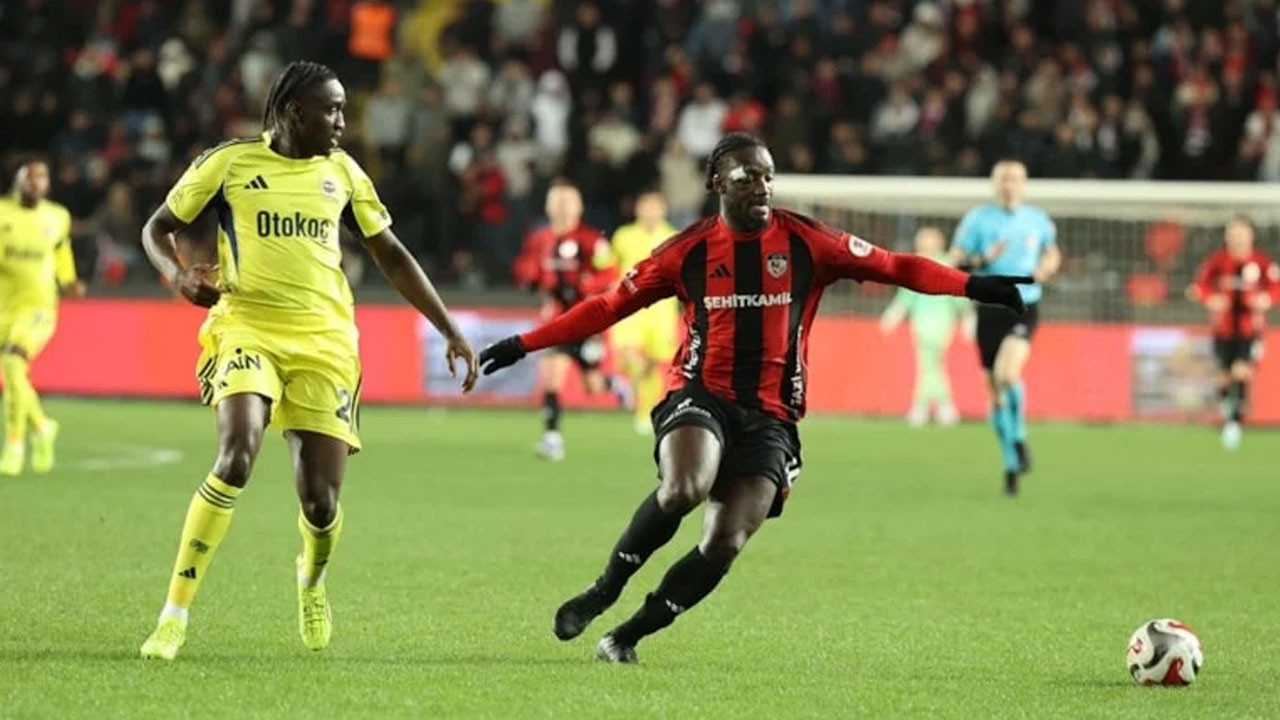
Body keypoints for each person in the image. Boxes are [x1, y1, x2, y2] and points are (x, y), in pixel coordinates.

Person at [478, 133, 1030, 663]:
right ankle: (604, 589)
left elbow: (895, 265)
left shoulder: (807, 242)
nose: (762, 187)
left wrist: (972, 285)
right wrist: (524, 343)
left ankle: (627, 635)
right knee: (685, 486)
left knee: (725, 541)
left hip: (772, 416)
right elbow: (607, 306)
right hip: (700, 394)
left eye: (768, 176)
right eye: (747, 177)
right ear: (718, 183)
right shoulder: (687, 252)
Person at [137, 62, 478, 661]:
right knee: (235, 457)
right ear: (295, 112)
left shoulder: (343, 173)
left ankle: (312, 578)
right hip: (247, 327)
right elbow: (158, 227)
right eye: (333, 110)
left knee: (320, 503)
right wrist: (179, 275)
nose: (344, 122)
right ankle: (174, 614)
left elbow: (391, 253)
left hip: (325, 341)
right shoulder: (229, 164)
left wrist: (449, 327)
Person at [948, 160, 1060, 497]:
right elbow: (956, 261)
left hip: (1023, 306)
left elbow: (1052, 254)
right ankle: (1011, 463)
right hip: (989, 310)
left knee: (1008, 375)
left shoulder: (1037, 220)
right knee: (994, 392)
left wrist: (1046, 268)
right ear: (994, 183)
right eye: (1003, 178)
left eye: (1015, 178)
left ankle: (1020, 438)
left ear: (1024, 183)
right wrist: (984, 258)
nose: (1009, 184)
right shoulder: (977, 219)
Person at [512, 180, 624, 460]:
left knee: (593, 387)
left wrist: (588, 284)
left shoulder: (592, 240)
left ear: (579, 207)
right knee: (551, 376)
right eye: (557, 201)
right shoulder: (540, 239)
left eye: (568, 201)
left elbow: (611, 275)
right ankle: (552, 438)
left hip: (587, 322)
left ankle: (614, 385)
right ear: (548, 206)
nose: (562, 207)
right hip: (556, 320)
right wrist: (529, 279)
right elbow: (525, 268)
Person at [0, 160, 87, 475]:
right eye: (29, 178)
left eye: (40, 179)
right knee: (14, 375)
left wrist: (70, 281)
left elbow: (62, 252)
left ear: (47, 185)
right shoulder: (3, 214)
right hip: (4, 307)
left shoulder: (57, 216)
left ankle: (14, 444)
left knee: (13, 362)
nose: (35, 184)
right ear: (17, 182)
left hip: (38, 308)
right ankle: (41, 426)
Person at [1191, 216, 1279, 449]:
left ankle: (1234, 424)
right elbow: (1200, 286)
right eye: (1233, 233)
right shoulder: (1217, 261)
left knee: (1241, 372)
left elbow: (1276, 288)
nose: (1237, 237)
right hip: (1223, 330)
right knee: (1223, 377)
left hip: (1250, 331)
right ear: (1227, 236)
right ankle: (1228, 413)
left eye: (1241, 233)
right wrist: (1211, 299)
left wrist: (1265, 299)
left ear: (1251, 235)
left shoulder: (1261, 263)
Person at [879, 226, 974, 427]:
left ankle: (925, 405)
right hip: (920, 323)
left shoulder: (947, 263)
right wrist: (894, 314)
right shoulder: (915, 265)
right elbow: (906, 296)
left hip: (942, 322)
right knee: (930, 365)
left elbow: (958, 292)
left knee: (930, 365)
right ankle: (942, 406)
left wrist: (968, 317)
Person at [610, 191, 678, 434]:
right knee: (626, 353)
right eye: (645, 207)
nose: (650, 212)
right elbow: (611, 266)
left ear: (663, 210)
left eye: (654, 207)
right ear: (637, 209)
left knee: (653, 363)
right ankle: (623, 385)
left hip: (661, 311)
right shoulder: (623, 236)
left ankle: (645, 413)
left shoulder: (674, 238)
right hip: (630, 306)